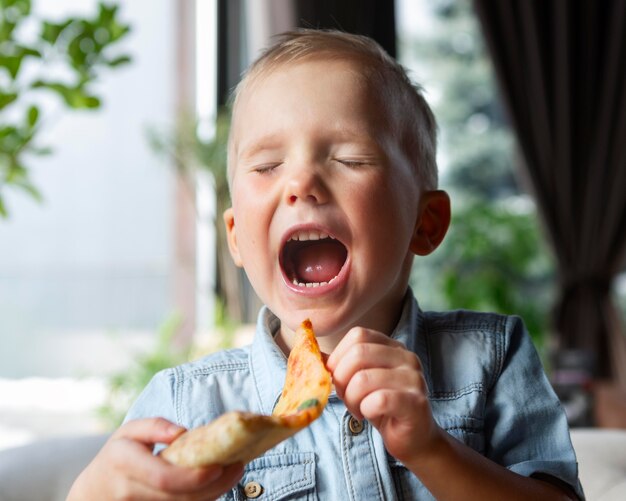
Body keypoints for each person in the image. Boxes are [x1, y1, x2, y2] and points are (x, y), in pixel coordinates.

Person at [68, 29, 584, 500]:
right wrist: (94, 492)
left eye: (349, 160)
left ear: (425, 223)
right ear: (237, 240)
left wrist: (430, 449)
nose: (300, 184)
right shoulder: (186, 405)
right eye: (268, 166)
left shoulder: (491, 360)